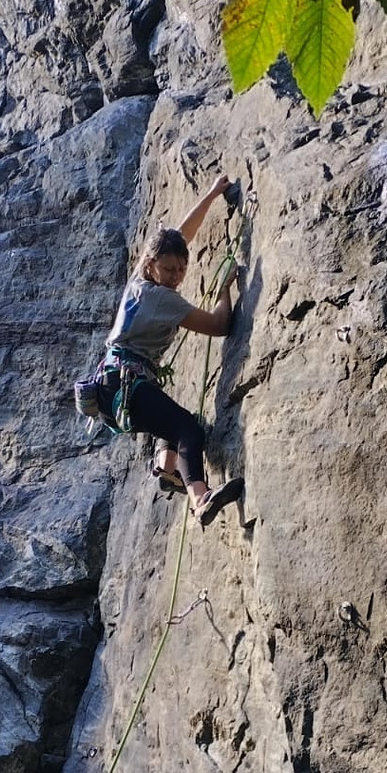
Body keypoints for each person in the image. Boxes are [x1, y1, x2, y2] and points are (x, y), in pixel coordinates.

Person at [96, 174, 244, 527]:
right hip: (127, 383)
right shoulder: (163, 298)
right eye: (169, 269)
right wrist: (224, 290)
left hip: (112, 384)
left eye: (181, 269)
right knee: (187, 429)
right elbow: (219, 325)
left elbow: (181, 235)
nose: (176, 275)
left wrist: (212, 194)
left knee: (166, 418)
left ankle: (167, 467)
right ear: (151, 264)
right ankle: (201, 499)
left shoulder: (140, 279)